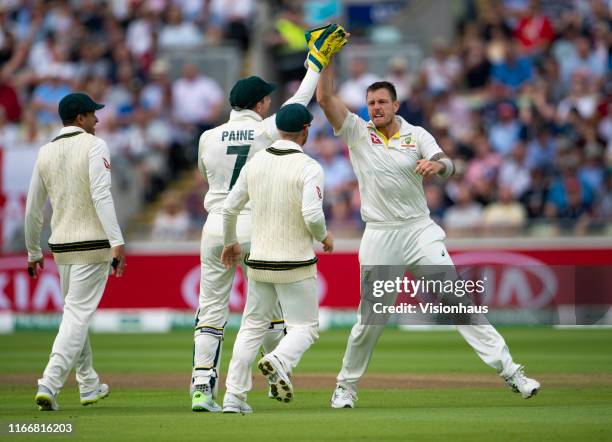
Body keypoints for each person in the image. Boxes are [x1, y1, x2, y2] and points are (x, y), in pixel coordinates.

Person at [315, 64, 540, 409]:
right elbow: (325, 98)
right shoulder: (357, 132)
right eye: (370, 102)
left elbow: (446, 163)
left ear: (396, 105)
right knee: (370, 320)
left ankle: (513, 372)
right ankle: (346, 386)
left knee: (458, 302)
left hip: (419, 231)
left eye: (381, 102)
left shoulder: (416, 135)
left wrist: (438, 166)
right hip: (380, 235)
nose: (375, 107)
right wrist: (326, 61)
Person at [190, 23, 348, 412]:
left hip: (216, 227)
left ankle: (201, 388)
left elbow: (206, 178)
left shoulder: (207, 137)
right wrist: (318, 58)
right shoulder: (266, 131)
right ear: (261, 104)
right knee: (266, 314)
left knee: (211, 311)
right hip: (256, 230)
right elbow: (301, 100)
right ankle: (279, 374)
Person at [220, 103, 333, 414]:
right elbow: (312, 214)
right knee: (305, 327)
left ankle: (233, 397)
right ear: (306, 130)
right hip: (295, 261)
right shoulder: (309, 167)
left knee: (252, 326)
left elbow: (229, 208)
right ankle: (279, 359)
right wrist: (323, 236)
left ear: (279, 130)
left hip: (259, 261)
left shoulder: (255, 163)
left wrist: (231, 242)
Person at [25, 92, 126, 411]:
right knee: (77, 316)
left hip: (62, 247)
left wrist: (32, 251)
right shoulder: (94, 145)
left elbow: (32, 209)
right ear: (80, 118)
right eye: (92, 114)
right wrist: (117, 241)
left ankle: (88, 384)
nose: (97, 120)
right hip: (93, 244)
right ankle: (50, 382)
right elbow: (101, 194)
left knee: (74, 315)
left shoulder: (45, 151)